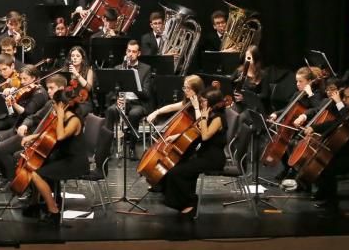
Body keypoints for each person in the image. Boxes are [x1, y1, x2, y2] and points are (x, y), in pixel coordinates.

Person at [15, 84, 88, 222]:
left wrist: (59, 116)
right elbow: (50, 134)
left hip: (75, 162)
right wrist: (31, 137)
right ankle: (34, 204)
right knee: (33, 167)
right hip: (62, 157)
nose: (52, 105)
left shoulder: (74, 120)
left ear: (61, 104)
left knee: (36, 174)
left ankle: (53, 210)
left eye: (54, 103)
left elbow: (60, 136)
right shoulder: (62, 117)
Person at [302, 79, 349, 212]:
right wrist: (314, 128)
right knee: (323, 161)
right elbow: (334, 123)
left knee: (328, 166)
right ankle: (325, 194)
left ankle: (332, 205)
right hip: (347, 150)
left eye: (346, 97)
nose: (343, 99)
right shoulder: (348, 110)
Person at [153, 87, 228, 215]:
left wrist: (203, 118)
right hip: (203, 154)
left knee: (177, 173)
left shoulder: (218, 118)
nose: (202, 103)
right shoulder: (210, 113)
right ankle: (185, 200)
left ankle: (188, 204)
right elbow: (196, 130)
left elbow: (204, 136)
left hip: (213, 159)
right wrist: (177, 136)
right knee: (175, 168)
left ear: (211, 102)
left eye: (204, 101)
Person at [97, 41, 154, 176]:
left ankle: (132, 147)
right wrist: (116, 99)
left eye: (134, 52)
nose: (131, 54)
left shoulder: (146, 69)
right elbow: (110, 92)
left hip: (138, 103)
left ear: (139, 53)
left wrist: (132, 82)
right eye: (129, 51)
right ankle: (107, 147)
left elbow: (146, 94)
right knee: (111, 110)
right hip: (123, 102)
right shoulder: (119, 67)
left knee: (134, 114)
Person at [0, 68, 54, 180]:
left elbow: (28, 112)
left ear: (34, 78)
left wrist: (14, 104)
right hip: (18, 126)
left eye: (25, 79)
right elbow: (15, 113)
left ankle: (13, 179)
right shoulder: (24, 89)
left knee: (1, 149)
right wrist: (9, 94)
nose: (22, 82)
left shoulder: (39, 93)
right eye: (21, 78)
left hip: (28, 131)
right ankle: (6, 175)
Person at [269, 66, 325, 184]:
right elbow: (288, 109)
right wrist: (276, 114)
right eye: (297, 81)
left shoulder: (317, 94)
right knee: (282, 139)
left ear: (309, 82)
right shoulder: (297, 94)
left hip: (306, 128)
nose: (298, 84)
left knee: (291, 143)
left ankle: (295, 171)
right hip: (293, 127)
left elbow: (318, 109)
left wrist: (310, 93)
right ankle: (288, 168)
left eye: (301, 81)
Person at [232, 45, 269, 114]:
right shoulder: (239, 71)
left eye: (249, 57)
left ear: (256, 59)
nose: (247, 59)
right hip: (239, 104)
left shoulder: (263, 75)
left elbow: (264, 95)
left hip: (253, 107)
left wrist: (246, 98)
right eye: (246, 57)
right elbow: (230, 84)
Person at [64, 46, 95, 116]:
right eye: (72, 56)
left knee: (76, 110)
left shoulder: (88, 71)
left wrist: (76, 74)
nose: (74, 58)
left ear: (82, 59)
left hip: (84, 102)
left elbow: (89, 88)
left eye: (78, 56)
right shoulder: (66, 70)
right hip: (69, 101)